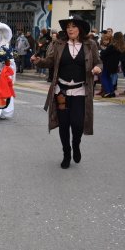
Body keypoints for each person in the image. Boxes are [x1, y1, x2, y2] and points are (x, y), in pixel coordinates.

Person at [32, 15, 102, 169]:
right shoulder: (59, 44)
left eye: (74, 26)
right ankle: (66, 152)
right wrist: (39, 62)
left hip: (79, 92)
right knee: (64, 124)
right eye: (68, 26)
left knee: (77, 124)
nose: (70, 29)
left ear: (80, 29)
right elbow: (50, 61)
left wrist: (97, 68)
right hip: (61, 92)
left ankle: (76, 144)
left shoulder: (90, 45)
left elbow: (98, 62)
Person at [99, 32, 124, 98]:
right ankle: (111, 92)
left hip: (107, 64)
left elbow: (104, 54)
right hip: (114, 65)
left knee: (104, 77)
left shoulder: (112, 46)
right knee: (108, 78)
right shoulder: (121, 46)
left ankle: (108, 92)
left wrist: (102, 51)